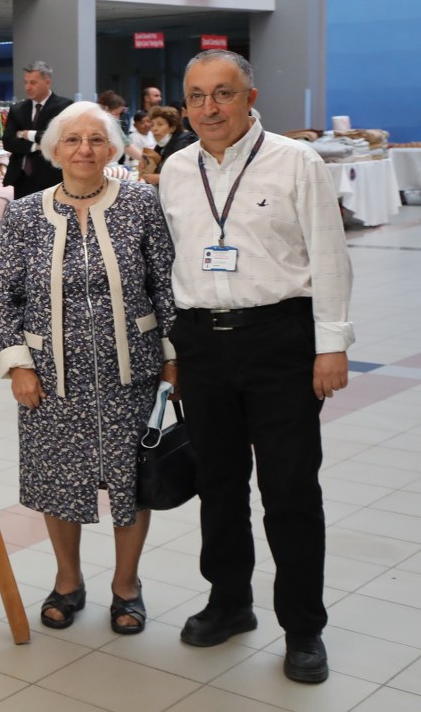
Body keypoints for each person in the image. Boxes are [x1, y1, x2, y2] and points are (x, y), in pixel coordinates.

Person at [158, 50, 353, 684]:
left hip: (280, 341)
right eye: (196, 96)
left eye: (222, 93)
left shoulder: (296, 161)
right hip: (201, 344)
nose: (208, 108)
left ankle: (303, 627)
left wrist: (331, 344)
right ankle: (230, 601)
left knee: (290, 490)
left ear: (250, 97)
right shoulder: (176, 168)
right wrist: (173, 352)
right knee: (218, 483)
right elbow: (172, 265)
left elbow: (329, 255)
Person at [0, 100, 176, 634]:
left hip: (131, 374)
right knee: (59, 480)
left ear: (112, 148)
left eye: (96, 139)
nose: (84, 149)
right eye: (72, 139)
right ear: (54, 149)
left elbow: (165, 284)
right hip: (50, 378)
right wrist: (18, 365)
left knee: (131, 481)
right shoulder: (26, 213)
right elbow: (4, 296)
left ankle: (127, 586)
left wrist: (173, 359)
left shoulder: (140, 203)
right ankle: (68, 581)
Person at [2, 60, 70, 198]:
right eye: (25, 82)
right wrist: (35, 146)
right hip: (21, 178)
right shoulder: (17, 109)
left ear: (47, 82)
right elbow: (8, 142)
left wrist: (25, 134)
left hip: (51, 178)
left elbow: (57, 138)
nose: (28, 87)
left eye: (33, 83)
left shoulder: (64, 106)